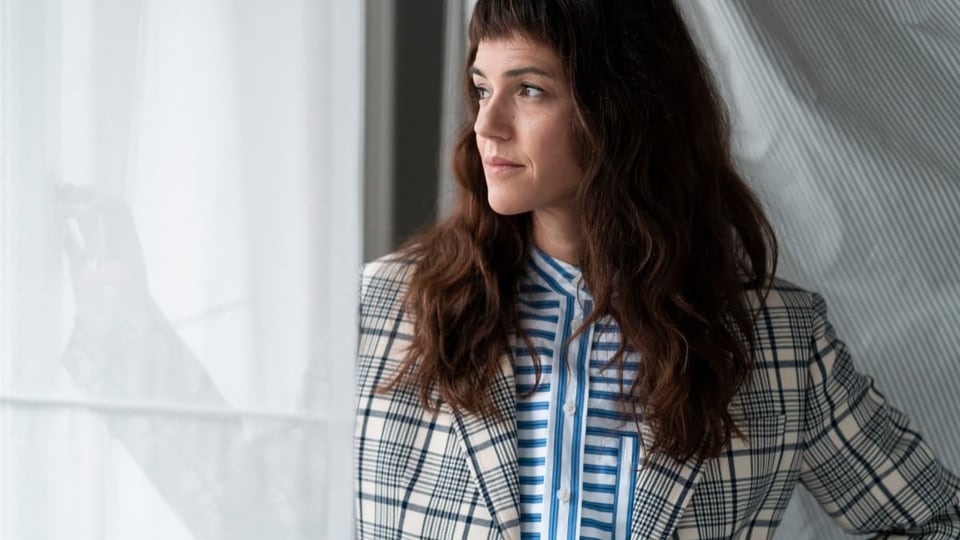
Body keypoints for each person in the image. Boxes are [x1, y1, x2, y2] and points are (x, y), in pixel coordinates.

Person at [354, 0, 960, 538]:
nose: (486, 125)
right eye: (482, 88)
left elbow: (936, 519)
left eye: (530, 89)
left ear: (619, 108)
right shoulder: (384, 308)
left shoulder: (776, 341)